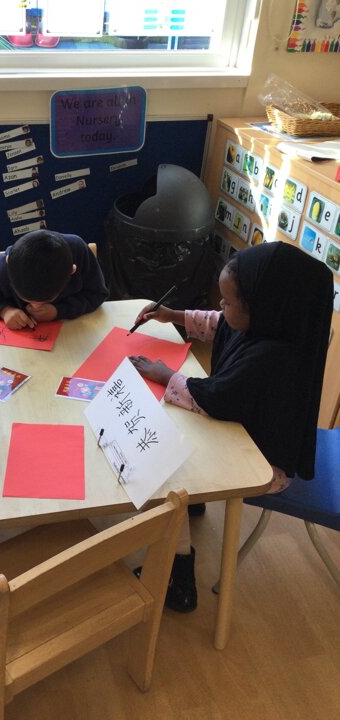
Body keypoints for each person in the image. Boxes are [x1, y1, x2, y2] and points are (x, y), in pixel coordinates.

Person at [129, 242, 334, 612]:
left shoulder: (273, 357)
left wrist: (165, 374)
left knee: (159, 464)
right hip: (245, 433)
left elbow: (215, 399)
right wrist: (172, 315)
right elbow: (219, 323)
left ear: (263, 307)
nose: (219, 306)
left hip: (261, 463)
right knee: (169, 433)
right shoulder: (269, 324)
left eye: (227, 301)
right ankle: (192, 507)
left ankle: (178, 577)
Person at [0, 230, 109, 330]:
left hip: (71, 337)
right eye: (27, 299)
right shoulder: (3, 268)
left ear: (72, 271)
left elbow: (97, 294)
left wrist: (58, 311)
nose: (35, 307)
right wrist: (4, 310)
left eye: (45, 300)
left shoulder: (79, 252)